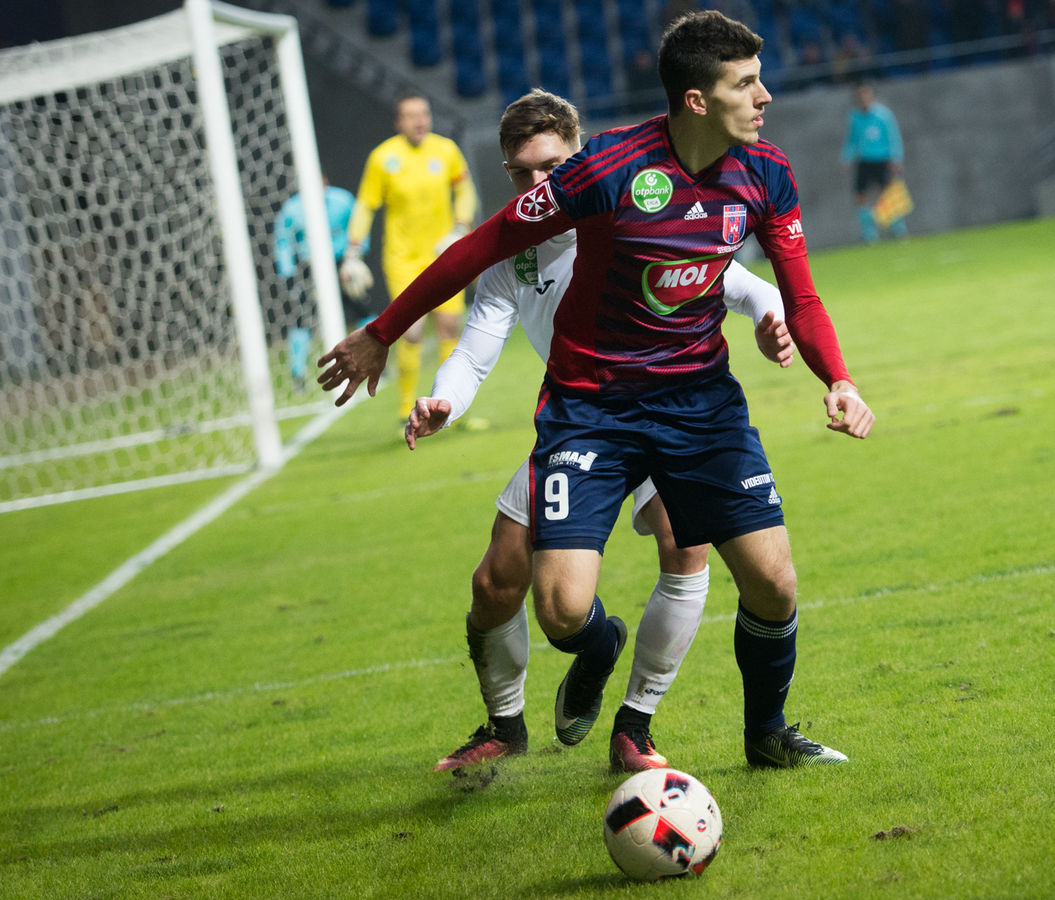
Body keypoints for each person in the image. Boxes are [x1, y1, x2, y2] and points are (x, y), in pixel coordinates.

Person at [319, 11, 875, 769]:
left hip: (698, 404)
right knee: (559, 607)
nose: (765, 95)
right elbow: (483, 246)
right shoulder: (607, 171)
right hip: (592, 410)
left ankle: (757, 734)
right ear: (697, 99)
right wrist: (382, 332)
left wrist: (836, 377)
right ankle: (556, 687)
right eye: (746, 82)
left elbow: (795, 295)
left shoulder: (766, 171)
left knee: (772, 581)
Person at [409, 89, 795, 774]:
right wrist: (445, 399)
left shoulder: (628, 211)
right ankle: (516, 717)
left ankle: (635, 727)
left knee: (684, 544)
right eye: (523, 172)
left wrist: (773, 319)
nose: (538, 183)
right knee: (497, 580)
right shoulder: (511, 254)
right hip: (585, 419)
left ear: (579, 155)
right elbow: (473, 350)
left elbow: (744, 284)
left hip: (666, 407)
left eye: (551, 166)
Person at [339, 93, 479, 425]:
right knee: (412, 332)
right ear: (398, 122)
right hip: (402, 259)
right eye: (411, 115)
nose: (419, 120)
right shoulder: (383, 157)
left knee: (449, 327)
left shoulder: (446, 150)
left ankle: (451, 409)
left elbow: (465, 190)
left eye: (424, 114)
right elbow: (365, 205)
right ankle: (406, 409)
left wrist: (461, 227)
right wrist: (353, 250)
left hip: (443, 255)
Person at [273, 176, 367, 392]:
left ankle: (376, 362)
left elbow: (359, 226)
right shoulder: (292, 209)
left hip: (342, 264)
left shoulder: (343, 200)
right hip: (309, 268)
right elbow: (283, 240)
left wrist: (356, 256)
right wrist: (287, 272)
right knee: (302, 320)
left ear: (326, 182)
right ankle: (298, 376)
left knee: (363, 309)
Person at [840, 82, 909, 242]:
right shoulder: (854, 116)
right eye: (860, 96)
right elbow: (852, 140)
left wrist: (896, 157)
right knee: (861, 196)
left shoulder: (883, 115)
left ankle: (898, 230)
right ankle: (869, 235)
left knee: (888, 195)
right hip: (864, 160)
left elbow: (893, 136)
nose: (863, 98)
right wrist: (846, 158)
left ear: (871, 96)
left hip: (882, 159)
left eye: (866, 95)